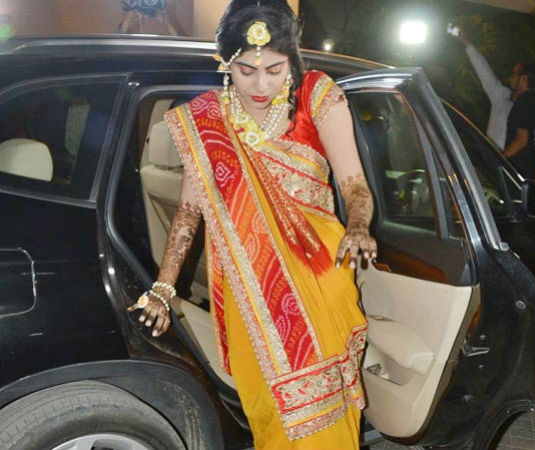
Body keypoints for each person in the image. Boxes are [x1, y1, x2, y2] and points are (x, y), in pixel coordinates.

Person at [127, 1, 376, 449]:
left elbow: (354, 185)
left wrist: (358, 226)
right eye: (245, 71)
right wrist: (164, 287)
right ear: (224, 63)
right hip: (249, 287)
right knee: (270, 406)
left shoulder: (318, 97)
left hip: (320, 276)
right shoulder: (208, 121)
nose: (261, 85)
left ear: (292, 60)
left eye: (275, 69)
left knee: (323, 405)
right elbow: (189, 211)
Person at [453, 28, 535, 180]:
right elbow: (484, 72)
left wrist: (500, 158)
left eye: (514, 75)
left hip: (507, 167)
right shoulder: (502, 97)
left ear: (524, 79)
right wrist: (467, 43)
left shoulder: (526, 104)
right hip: (501, 167)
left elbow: (523, 140)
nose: (510, 78)